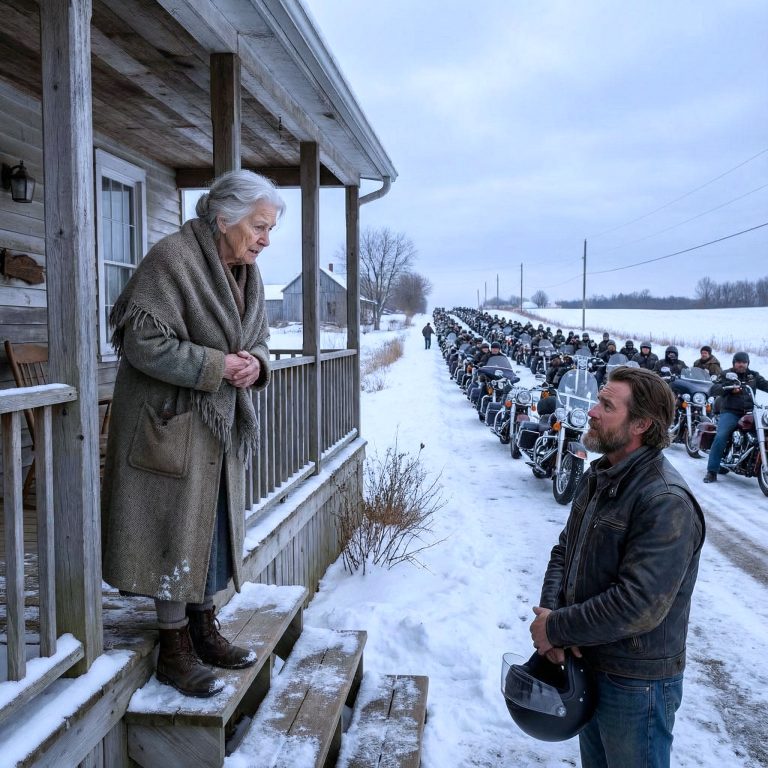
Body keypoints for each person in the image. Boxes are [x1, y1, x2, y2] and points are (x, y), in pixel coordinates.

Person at [101, 170, 285, 698]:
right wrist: (217, 366)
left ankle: (203, 629)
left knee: (209, 530)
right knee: (172, 530)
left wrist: (257, 364)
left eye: (269, 230)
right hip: (172, 422)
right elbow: (141, 342)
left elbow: (261, 338)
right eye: (259, 227)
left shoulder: (246, 273)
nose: (265, 240)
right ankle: (173, 647)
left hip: (217, 425)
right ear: (224, 218)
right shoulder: (173, 259)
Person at [530, 366, 705, 768]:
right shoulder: (602, 473)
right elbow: (565, 550)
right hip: (589, 660)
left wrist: (557, 627)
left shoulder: (664, 500)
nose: (592, 411)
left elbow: (639, 603)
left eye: (606, 405)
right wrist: (552, 618)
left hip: (635, 683)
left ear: (641, 423)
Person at [704, 351, 768, 482]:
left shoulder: (753, 376)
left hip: (751, 412)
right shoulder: (727, 374)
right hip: (731, 412)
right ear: (734, 363)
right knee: (721, 436)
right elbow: (714, 389)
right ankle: (711, 471)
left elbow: (765, 385)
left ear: (747, 363)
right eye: (739, 362)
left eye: (744, 362)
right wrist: (728, 388)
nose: (741, 365)